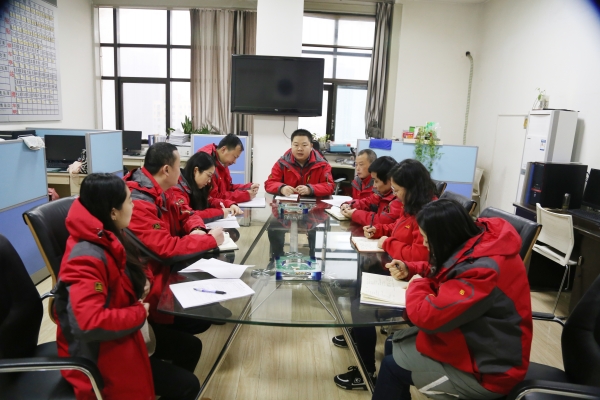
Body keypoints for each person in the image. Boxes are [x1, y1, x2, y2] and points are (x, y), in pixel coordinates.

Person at [54, 173, 201, 400]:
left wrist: (144, 282)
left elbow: (135, 265)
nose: (134, 206)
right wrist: (138, 314)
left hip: (123, 332)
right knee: (187, 385)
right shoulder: (85, 257)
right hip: (100, 354)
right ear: (113, 211)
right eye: (130, 201)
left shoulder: (109, 233)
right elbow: (88, 323)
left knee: (190, 347)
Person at [372, 199, 533, 400]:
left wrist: (417, 284)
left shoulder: (483, 271)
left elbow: (426, 318)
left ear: (444, 238)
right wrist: (413, 268)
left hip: (490, 370)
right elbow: (449, 268)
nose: (424, 244)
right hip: (474, 338)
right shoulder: (479, 242)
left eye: (426, 239)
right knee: (392, 344)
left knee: (391, 367)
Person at [333, 159, 436, 390]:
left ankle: (365, 371)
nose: (395, 195)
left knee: (360, 304)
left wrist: (388, 242)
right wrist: (379, 230)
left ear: (412, 188)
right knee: (359, 279)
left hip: (413, 279)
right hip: (400, 269)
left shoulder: (427, 215)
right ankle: (360, 335)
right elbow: (397, 227)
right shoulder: (411, 207)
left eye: (397, 190)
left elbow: (419, 255)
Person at [124, 142, 224, 330]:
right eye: (179, 167)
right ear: (166, 170)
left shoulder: (163, 189)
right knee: (200, 321)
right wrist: (209, 240)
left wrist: (197, 229)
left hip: (168, 270)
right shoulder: (139, 202)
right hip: (152, 281)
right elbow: (166, 249)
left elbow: (186, 213)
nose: (182, 172)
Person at [170, 151, 243, 225]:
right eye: (208, 175)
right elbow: (189, 214)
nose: (209, 181)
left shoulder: (195, 185)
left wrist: (229, 204)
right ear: (196, 170)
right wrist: (220, 213)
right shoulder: (177, 189)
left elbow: (209, 200)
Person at [264, 129, 335, 196]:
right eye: (296, 145)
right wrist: (282, 188)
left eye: (304, 145)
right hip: (288, 203)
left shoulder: (322, 164)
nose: (300, 149)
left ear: (311, 146)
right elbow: (269, 183)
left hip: (314, 202)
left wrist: (310, 189)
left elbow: (329, 186)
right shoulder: (282, 163)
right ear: (291, 145)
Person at [340, 156, 402, 226]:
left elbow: (381, 221)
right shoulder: (382, 194)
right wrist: (349, 205)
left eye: (376, 181)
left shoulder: (399, 200)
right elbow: (367, 202)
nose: (374, 186)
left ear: (389, 180)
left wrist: (355, 214)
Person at [198, 133, 259, 203]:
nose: (235, 162)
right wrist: (244, 195)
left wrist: (248, 187)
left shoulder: (222, 163)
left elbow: (228, 187)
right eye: (235, 157)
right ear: (223, 150)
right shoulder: (207, 164)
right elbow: (214, 197)